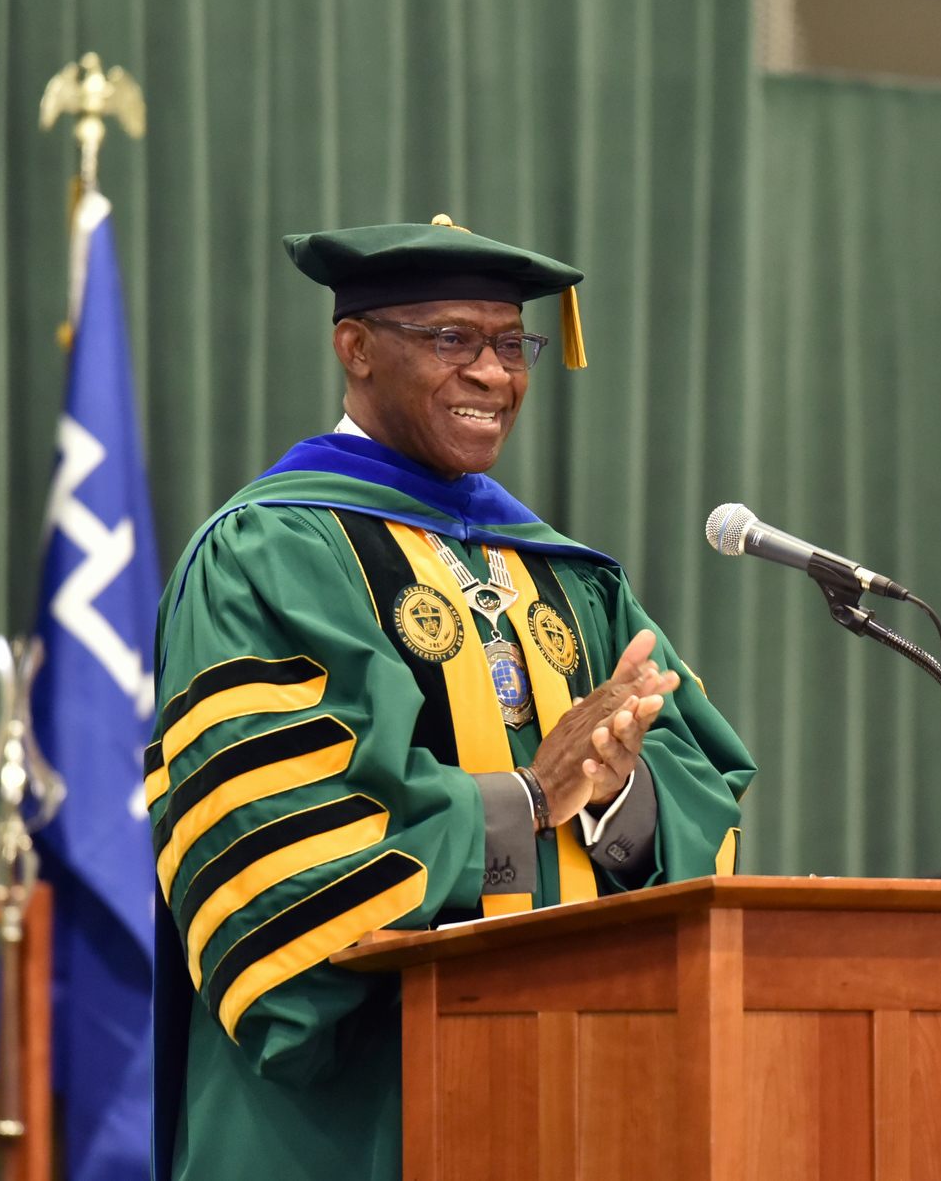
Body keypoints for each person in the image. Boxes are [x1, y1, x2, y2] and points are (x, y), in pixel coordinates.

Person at [149, 217, 756, 1179]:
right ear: (354, 349)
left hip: (571, 1091)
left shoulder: (565, 576)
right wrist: (527, 803)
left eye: (511, 344)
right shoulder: (273, 554)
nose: (493, 373)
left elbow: (695, 781)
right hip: (353, 1114)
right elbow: (275, 837)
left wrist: (614, 793)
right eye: (450, 341)